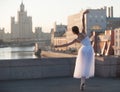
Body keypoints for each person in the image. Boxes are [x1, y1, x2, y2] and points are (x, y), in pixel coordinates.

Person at [54, 10, 95, 91]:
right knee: (86, 66)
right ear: (78, 30)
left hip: (83, 51)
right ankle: (83, 82)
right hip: (89, 49)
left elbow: (67, 44)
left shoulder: (77, 39)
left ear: (73, 32)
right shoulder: (83, 32)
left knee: (82, 66)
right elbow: (83, 22)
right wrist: (83, 14)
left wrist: (57, 46)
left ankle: (82, 83)